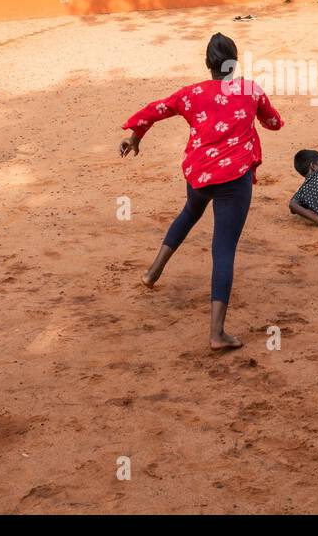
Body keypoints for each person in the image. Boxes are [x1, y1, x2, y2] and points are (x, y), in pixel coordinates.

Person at [119, 33, 284, 350]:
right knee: (223, 249)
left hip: (199, 172)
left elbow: (155, 110)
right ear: (234, 62)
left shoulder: (191, 93)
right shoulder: (250, 90)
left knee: (189, 213)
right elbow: (275, 123)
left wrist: (135, 136)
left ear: (207, 64)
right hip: (234, 178)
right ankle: (216, 334)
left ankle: (152, 273)